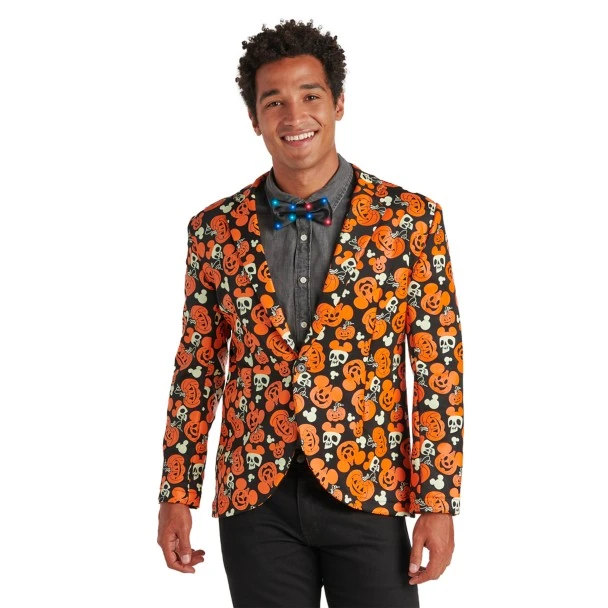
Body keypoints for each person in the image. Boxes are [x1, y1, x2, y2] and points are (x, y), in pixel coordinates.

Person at [157, 18, 464, 608]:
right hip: (254, 497)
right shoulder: (214, 230)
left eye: (310, 95)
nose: (294, 115)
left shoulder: (411, 220)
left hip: (370, 487)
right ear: (255, 119)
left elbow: (438, 370)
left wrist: (439, 501)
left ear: (339, 103)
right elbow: (197, 365)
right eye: (274, 101)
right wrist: (177, 490)